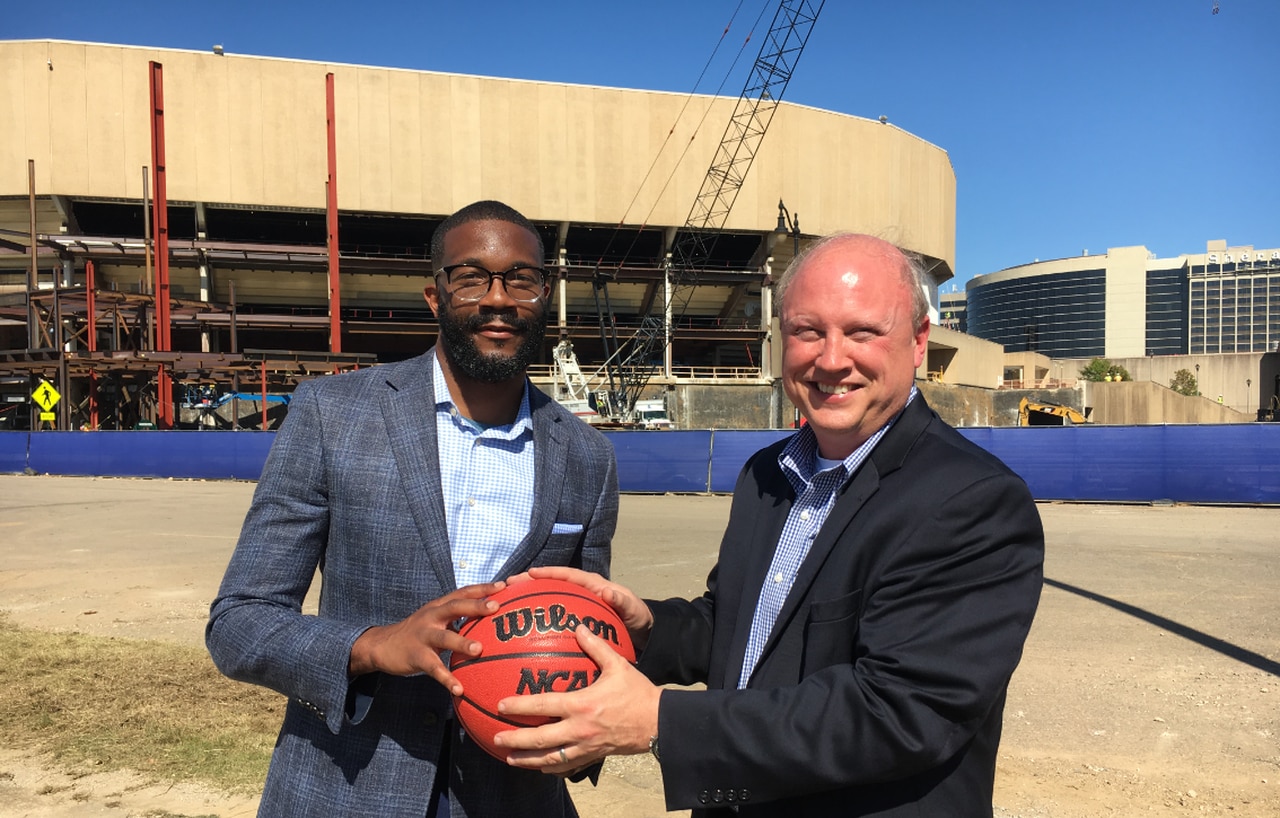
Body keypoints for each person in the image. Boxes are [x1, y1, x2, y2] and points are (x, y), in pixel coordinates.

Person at [494, 233, 1045, 817]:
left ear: (917, 341)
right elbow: (741, 626)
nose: (832, 359)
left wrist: (660, 721)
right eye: (808, 331)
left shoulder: (973, 501)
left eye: (862, 332)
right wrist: (647, 627)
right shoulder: (768, 475)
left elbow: (901, 713)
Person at [206, 200, 619, 818]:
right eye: (472, 277)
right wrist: (371, 646)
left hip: (513, 798)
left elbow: (586, 638)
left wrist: (585, 731)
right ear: (436, 296)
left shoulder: (589, 455)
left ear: (544, 298)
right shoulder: (332, 414)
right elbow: (238, 622)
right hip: (343, 792)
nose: (498, 298)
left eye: (521, 279)